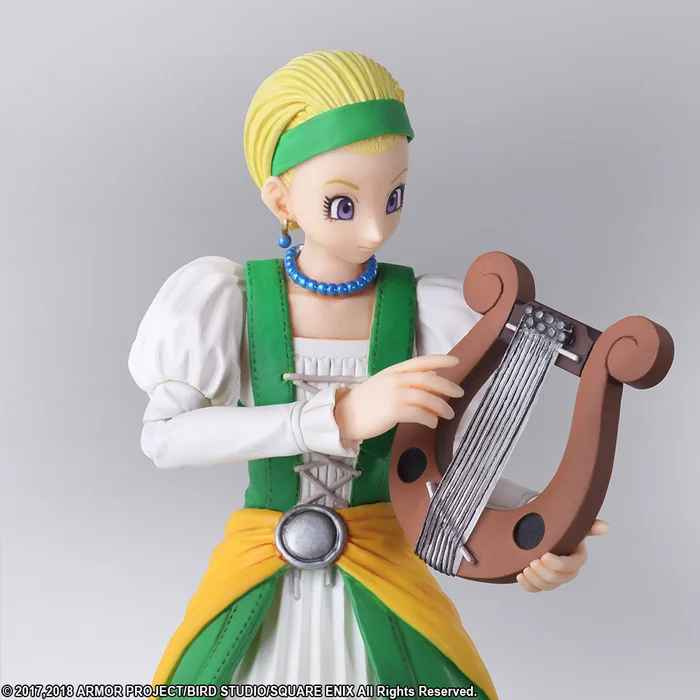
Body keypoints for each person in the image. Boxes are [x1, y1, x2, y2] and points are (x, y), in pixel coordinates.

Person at [128, 50, 609, 699]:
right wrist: (340, 416)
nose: (378, 227)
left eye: (395, 196)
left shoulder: (427, 311)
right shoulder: (229, 299)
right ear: (280, 199)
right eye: (343, 203)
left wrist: (539, 523)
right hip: (259, 567)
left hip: (385, 569)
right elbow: (164, 438)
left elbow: (437, 468)